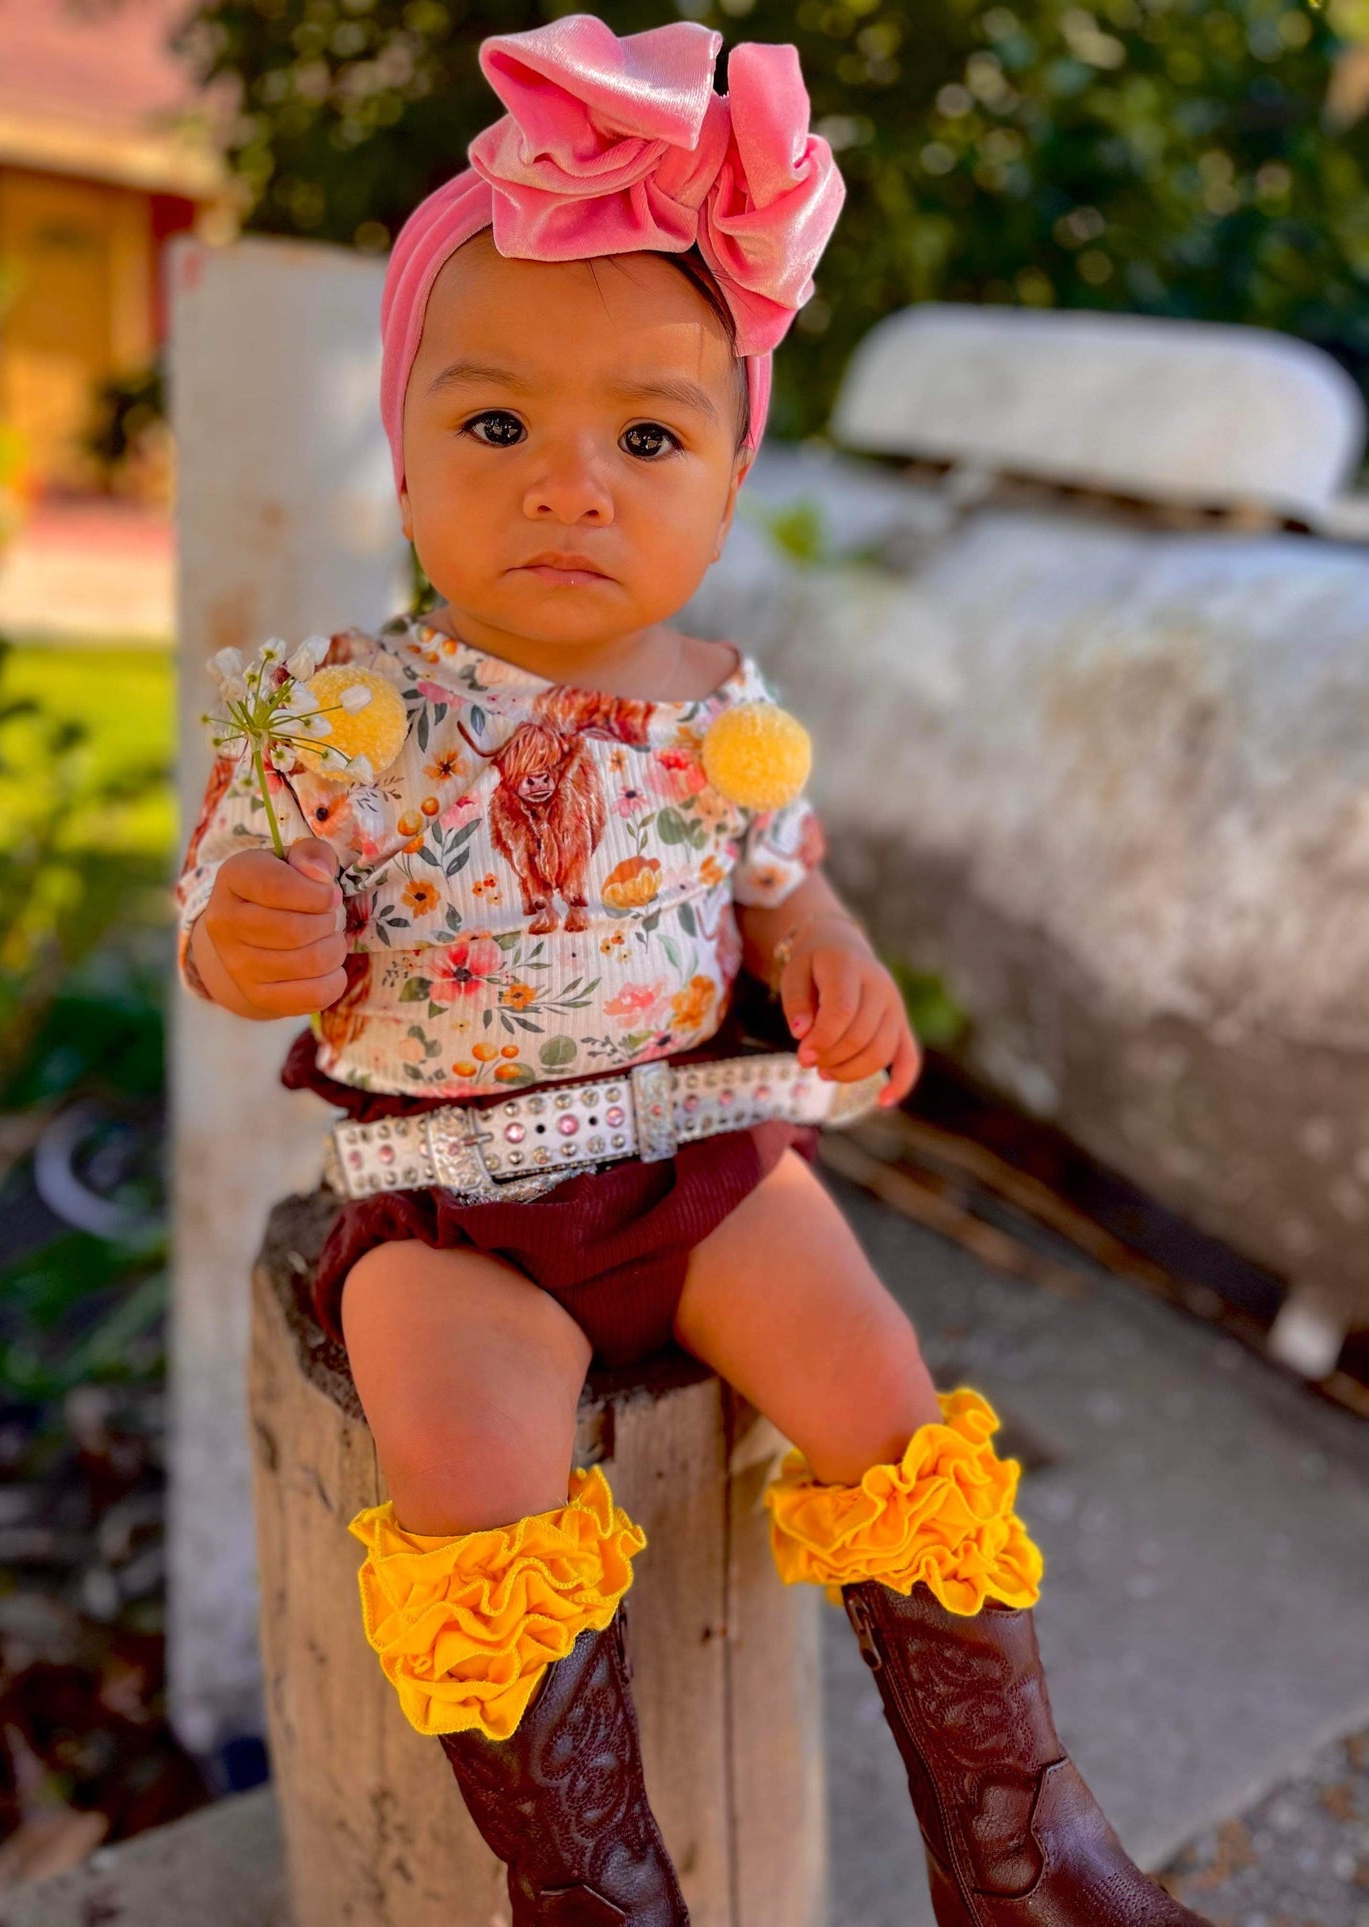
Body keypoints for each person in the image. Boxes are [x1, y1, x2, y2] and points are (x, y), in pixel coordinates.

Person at [173, 17, 1215, 1926]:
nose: (570, 484)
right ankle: (597, 1892)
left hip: (700, 1165)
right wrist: (259, 934)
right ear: (400, 465)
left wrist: (830, 960)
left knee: (879, 1389)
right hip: (453, 1200)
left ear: (724, 496)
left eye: (644, 437)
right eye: (495, 426)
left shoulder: (725, 718)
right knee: (471, 1462)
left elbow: (779, 891)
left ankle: (1017, 1848)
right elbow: (231, 926)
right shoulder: (337, 719)